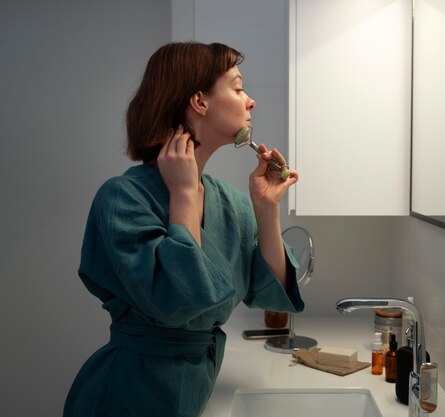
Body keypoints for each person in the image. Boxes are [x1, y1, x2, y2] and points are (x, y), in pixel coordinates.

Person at [63, 42, 304, 417]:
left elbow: (270, 294)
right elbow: (178, 301)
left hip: (196, 385)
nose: (250, 101)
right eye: (238, 88)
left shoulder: (231, 202)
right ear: (199, 102)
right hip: (127, 394)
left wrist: (266, 208)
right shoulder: (121, 199)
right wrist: (185, 193)